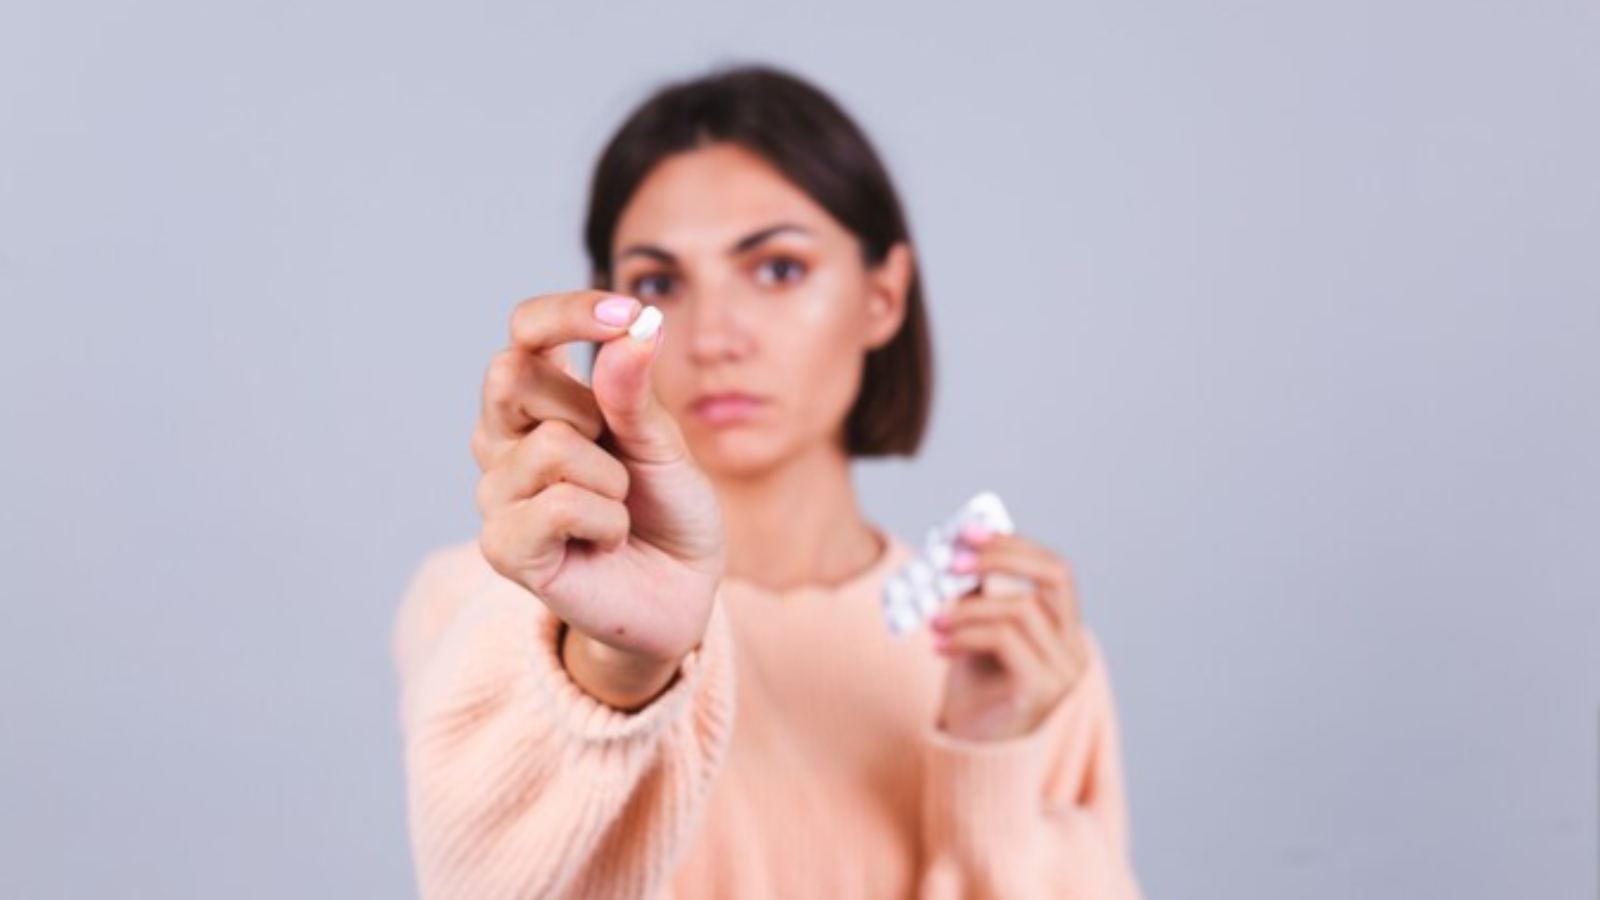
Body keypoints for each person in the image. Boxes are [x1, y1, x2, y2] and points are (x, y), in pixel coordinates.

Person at [392, 62, 1144, 900]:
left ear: (883, 297)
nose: (715, 335)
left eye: (778, 269)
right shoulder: (498, 605)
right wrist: (611, 670)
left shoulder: (1016, 649)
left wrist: (990, 775)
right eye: (658, 283)